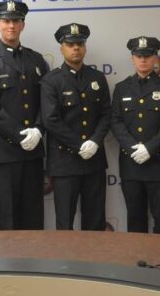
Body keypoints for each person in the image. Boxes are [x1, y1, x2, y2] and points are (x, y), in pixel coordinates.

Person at [0, 1, 49, 230]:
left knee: (34, 214)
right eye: (6, 21)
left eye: (16, 21)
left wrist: (38, 129)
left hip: (32, 151)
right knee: (8, 216)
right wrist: (20, 134)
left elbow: (47, 101)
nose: (11, 25)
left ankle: (34, 255)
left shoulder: (36, 60)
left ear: (23, 25)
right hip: (2, 152)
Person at [40, 23, 111, 230]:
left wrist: (95, 141)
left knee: (95, 221)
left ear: (85, 47)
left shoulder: (97, 78)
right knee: (65, 222)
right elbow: (51, 119)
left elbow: (106, 114)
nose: (76, 48)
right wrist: (79, 145)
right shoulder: (51, 80)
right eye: (70, 44)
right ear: (61, 48)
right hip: (65, 162)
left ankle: (95, 253)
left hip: (94, 161)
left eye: (80, 44)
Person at [111, 37, 160, 234]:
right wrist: (133, 148)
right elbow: (116, 121)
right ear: (132, 59)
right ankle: (136, 255)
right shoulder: (121, 88)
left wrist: (149, 148)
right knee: (135, 219)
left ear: (155, 58)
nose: (143, 60)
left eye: (148, 56)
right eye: (138, 56)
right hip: (131, 163)